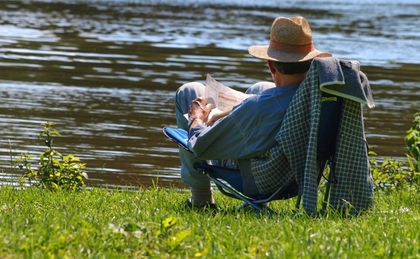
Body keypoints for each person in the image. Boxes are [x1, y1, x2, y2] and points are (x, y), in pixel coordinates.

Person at [175, 16, 331, 208]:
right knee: (261, 87)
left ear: (271, 65)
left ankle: (201, 199)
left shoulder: (259, 108)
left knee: (190, 91)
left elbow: (200, 145)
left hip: (259, 179)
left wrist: (197, 118)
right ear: (311, 62)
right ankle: (252, 206)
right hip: (299, 176)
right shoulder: (320, 98)